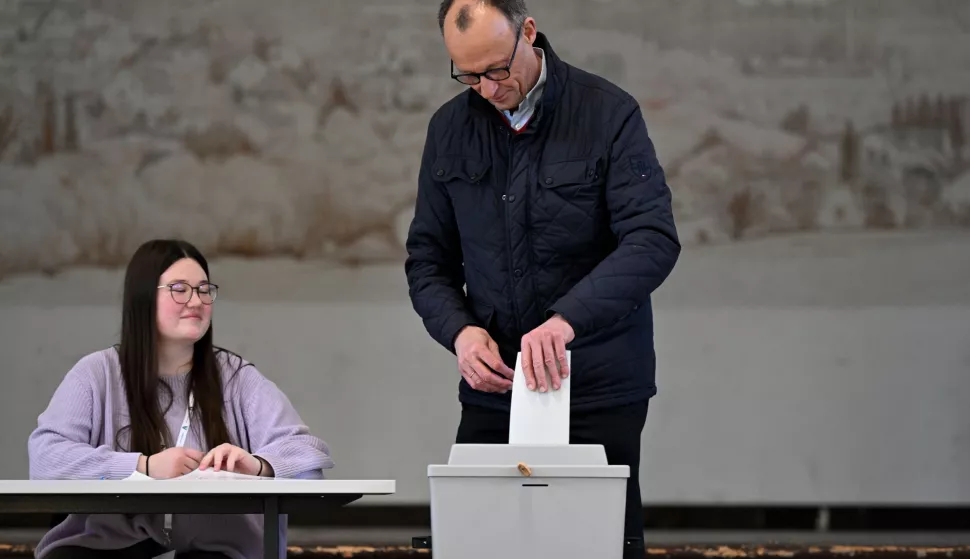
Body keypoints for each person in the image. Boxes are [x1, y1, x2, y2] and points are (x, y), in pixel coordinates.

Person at [404, 1, 680, 556]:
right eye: (467, 73)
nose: (485, 87)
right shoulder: (449, 130)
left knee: (598, 543)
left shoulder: (607, 113)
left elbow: (652, 239)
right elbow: (427, 261)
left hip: (600, 382)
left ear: (528, 32)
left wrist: (566, 321)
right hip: (496, 387)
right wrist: (459, 333)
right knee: (478, 543)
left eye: (497, 69)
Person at [27, 239, 334, 559]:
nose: (196, 300)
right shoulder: (97, 373)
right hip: (110, 546)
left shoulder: (236, 377)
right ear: (144, 297)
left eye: (204, 290)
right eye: (179, 289)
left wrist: (258, 466)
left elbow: (307, 458)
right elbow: (47, 458)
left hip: (216, 550)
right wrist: (143, 466)